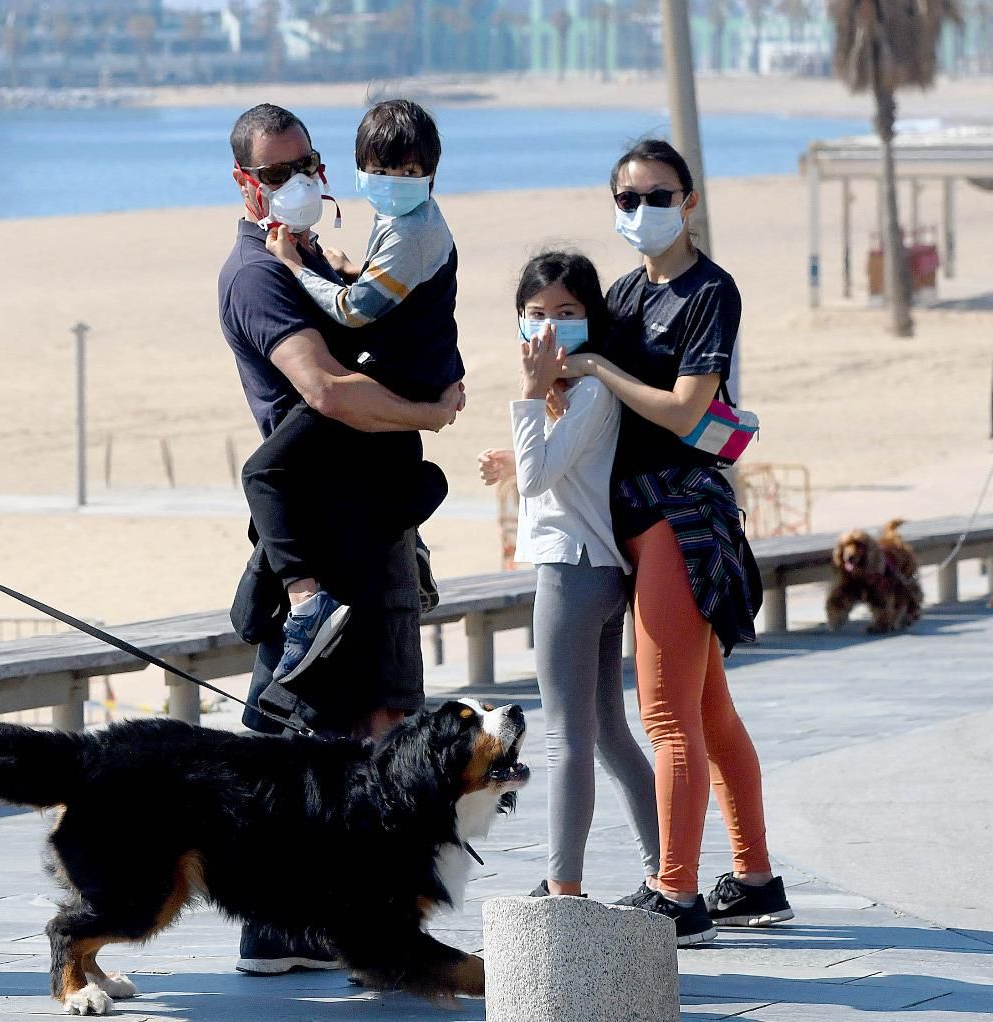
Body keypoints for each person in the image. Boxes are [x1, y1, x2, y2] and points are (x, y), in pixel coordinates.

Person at [217, 103, 463, 974]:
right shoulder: (257, 274)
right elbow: (327, 392)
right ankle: (307, 925)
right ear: (246, 184)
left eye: (308, 163)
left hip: (366, 517)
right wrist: (430, 412)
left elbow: (372, 315)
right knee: (349, 734)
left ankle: (311, 925)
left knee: (351, 731)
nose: (303, 183)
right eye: (278, 173)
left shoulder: (319, 253)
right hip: (330, 527)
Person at [559, 139, 794, 944]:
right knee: (708, 711)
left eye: (658, 196)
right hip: (632, 518)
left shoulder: (710, 292)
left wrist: (598, 368)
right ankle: (755, 879)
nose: (641, 211)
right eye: (626, 199)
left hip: (680, 520)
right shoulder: (622, 294)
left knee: (667, 717)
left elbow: (691, 408)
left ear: (689, 201)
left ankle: (679, 894)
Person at [253, 98, 463, 691]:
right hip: (414, 366)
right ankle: (406, 538)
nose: (393, 183)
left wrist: (295, 266)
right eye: (381, 169)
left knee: (264, 474)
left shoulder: (412, 229)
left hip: (400, 375)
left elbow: (354, 311)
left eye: (407, 171)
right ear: (361, 168)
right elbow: (380, 287)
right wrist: (344, 265)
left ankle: (308, 601)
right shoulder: (404, 221)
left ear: (430, 174)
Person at [477, 251, 661, 900]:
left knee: (567, 742)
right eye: (535, 315)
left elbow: (539, 477)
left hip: (570, 573)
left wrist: (527, 398)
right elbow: (558, 473)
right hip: (600, 570)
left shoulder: (589, 389)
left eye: (566, 313)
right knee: (609, 736)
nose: (549, 327)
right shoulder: (578, 393)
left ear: (591, 318)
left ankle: (564, 889)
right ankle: (666, 874)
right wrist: (515, 451)